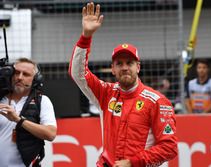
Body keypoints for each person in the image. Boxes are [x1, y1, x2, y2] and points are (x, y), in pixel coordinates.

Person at [68, 2, 177, 167]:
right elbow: (78, 73)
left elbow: (169, 147)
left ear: (138, 67)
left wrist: (133, 162)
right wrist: (86, 36)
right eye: (119, 63)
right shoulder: (106, 93)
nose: (125, 67)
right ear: (112, 69)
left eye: (129, 63)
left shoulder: (157, 101)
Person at [0, 58, 57, 167]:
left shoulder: (42, 101)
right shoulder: (1, 99)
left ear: (35, 79)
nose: (19, 77)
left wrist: (19, 120)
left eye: (26, 74)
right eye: (16, 73)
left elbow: (50, 134)